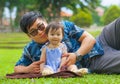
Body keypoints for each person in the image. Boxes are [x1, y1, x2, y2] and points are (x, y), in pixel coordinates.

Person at [14, 11, 120, 74]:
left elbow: (89, 39)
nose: (40, 32)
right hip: (94, 60)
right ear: (29, 36)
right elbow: (17, 67)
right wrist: (27, 69)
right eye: (33, 32)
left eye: (41, 26)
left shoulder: (64, 26)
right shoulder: (31, 49)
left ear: (45, 21)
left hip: (101, 39)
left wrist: (76, 55)